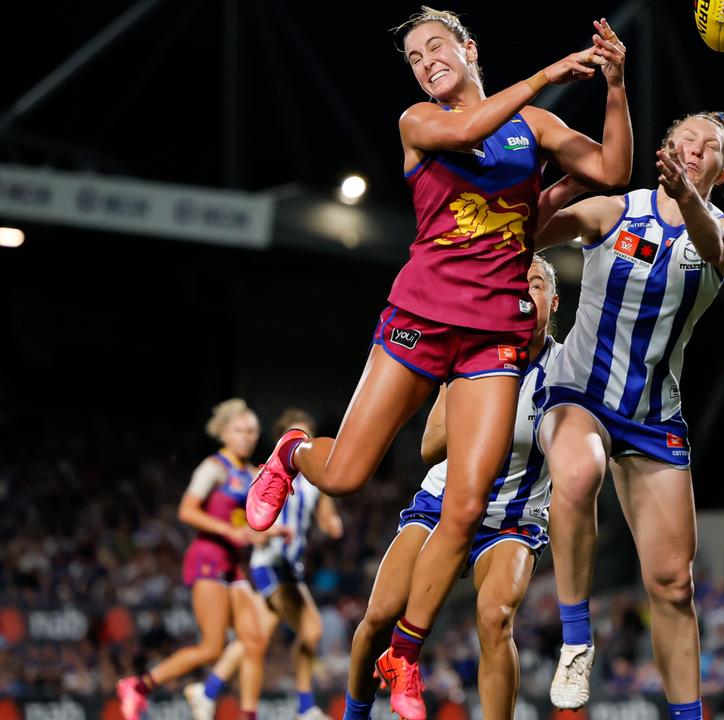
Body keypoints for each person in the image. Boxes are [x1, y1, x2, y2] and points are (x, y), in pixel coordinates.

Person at [245, 7, 630, 716]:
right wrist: (547, 74)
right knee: (348, 474)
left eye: (435, 47)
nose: (425, 63)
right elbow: (464, 130)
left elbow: (612, 168)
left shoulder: (534, 129)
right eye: (416, 57)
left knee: (467, 502)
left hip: (492, 336)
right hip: (420, 321)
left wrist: (613, 83)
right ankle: (294, 451)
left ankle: (408, 655)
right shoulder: (419, 122)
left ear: (469, 47)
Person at [531, 111, 724, 719]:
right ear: (664, 149)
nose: (694, 149)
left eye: (708, 148)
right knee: (577, 475)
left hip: (655, 418)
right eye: (685, 138)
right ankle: (576, 640)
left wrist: (688, 202)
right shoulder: (613, 212)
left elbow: (715, 249)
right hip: (580, 391)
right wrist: (541, 193)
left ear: (719, 171)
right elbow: (529, 235)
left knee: (674, 588)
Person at [340, 256, 563, 720]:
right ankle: (354, 714)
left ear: (554, 302)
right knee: (379, 618)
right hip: (442, 506)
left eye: (537, 284)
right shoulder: (472, 354)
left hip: (513, 520)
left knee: (495, 618)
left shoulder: (571, 367)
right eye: (517, 284)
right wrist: (483, 409)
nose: (525, 292)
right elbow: (429, 447)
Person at [117, 399, 286, 720]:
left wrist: (272, 532)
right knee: (212, 648)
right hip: (207, 560)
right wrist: (230, 530)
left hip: (233, 566)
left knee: (255, 640)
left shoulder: (252, 473)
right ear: (224, 433)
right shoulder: (214, 467)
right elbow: (187, 510)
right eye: (240, 430)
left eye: (252, 431)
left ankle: (248, 715)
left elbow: (245, 523)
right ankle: (139, 685)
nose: (248, 437)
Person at [185, 409, 343, 720]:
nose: (303, 443)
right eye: (296, 435)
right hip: (271, 561)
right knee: (312, 630)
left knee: (255, 637)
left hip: (292, 566)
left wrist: (332, 522)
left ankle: (207, 691)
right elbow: (247, 511)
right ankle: (305, 707)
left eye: (307, 436)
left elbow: (327, 513)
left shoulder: (318, 478)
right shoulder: (271, 472)